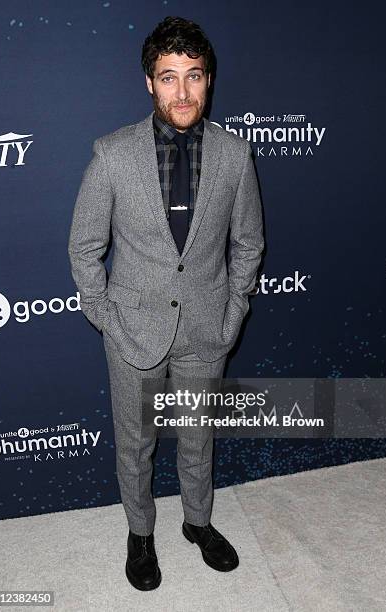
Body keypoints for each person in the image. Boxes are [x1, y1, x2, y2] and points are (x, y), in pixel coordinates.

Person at [68, 15, 264, 591]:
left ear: (209, 80)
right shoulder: (112, 155)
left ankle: (197, 523)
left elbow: (248, 243)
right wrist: (106, 317)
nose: (183, 92)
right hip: (133, 335)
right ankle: (141, 533)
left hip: (207, 328)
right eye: (169, 77)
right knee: (136, 443)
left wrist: (232, 316)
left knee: (199, 436)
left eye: (194, 76)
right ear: (149, 83)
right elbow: (84, 246)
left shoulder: (234, 154)